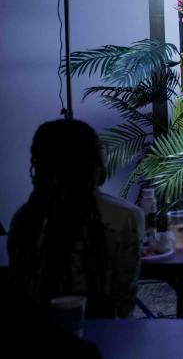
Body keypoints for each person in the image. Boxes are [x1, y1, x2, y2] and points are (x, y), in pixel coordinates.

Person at [7, 118, 144, 319]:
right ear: (95, 162)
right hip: (105, 338)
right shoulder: (125, 217)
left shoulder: (24, 218)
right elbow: (123, 303)